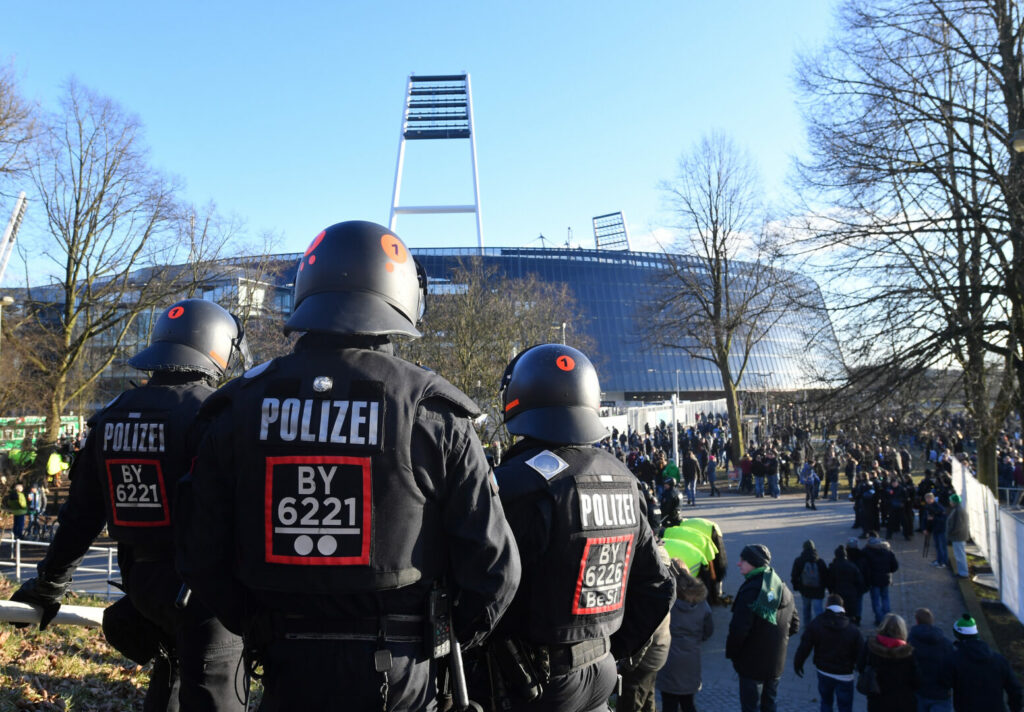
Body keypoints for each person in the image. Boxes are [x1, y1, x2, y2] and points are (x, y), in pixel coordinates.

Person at [178, 222, 522, 711]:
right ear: (401, 294)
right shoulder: (432, 412)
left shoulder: (238, 406)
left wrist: (258, 626)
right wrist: (441, 641)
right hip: (400, 674)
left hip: (284, 664)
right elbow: (495, 570)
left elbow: (200, 555)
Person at [10, 298, 250, 711]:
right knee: (216, 694)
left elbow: (80, 517)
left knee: (169, 680)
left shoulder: (111, 417)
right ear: (216, 348)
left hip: (143, 588)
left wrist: (49, 584)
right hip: (206, 596)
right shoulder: (213, 415)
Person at [485, 343, 674, 712]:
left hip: (534, 683)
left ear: (517, 399)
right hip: (600, 672)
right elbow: (658, 586)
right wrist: (609, 649)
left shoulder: (511, 486)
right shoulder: (625, 478)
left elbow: (484, 588)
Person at [725, 544, 800, 712]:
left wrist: (733, 653)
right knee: (769, 705)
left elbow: (738, 630)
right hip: (775, 663)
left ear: (753, 563)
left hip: (751, 664)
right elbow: (795, 625)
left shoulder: (750, 591)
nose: (738, 563)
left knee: (751, 707)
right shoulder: (783, 587)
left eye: (743, 560)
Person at [656, 562, 714, 712]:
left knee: (669, 704)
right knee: (688, 702)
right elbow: (708, 630)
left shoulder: (666, 600)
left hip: (669, 659)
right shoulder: (702, 603)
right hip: (691, 659)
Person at [793, 593, 863, 712]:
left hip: (824, 671)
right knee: (845, 706)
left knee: (826, 702)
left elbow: (805, 646)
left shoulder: (817, 623)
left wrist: (798, 663)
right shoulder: (853, 630)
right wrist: (861, 670)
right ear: (842, 607)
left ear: (827, 605)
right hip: (845, 674)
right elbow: (861, 653)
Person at [944, 614, 1022, 712]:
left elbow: (943, 684)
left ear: (957, 635)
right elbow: (1015, 689)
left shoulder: (954, 659)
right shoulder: (999, 660)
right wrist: (1015, 708)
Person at [857, 613, 919, 712]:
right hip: (903, 702)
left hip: (877, 701)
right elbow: (916, 680)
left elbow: (860, 666)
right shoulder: (909, 653)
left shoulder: (870, 647)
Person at [907, 608, 953, 712]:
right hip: (940, 693)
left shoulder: (910, 642)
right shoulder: (946, 644)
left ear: (917, 621)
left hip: (919, 691)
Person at [862, 534, 899, 627]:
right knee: (885, 598)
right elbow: (895, 566)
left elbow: (864, 567)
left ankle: (879, 619)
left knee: (876, 600)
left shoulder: (866, 552)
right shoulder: (888, 551)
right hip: (885, 579)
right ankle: (887, 618)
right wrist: (888, 571)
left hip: (873, 580)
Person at [827, 545, 866, 626]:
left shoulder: (833, 566)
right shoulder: (852, 565)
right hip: (851, 593)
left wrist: (831, 592)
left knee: (839, 611)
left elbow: (830, 581)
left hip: (838, 592)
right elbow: (859, 580)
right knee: (851, 613)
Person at [791, 539, 829, 625]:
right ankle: (820, 627)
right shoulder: (820, 561)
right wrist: (825, 588)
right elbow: (826, 576)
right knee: (818, 611)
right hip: (818, 591)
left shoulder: (799, 560)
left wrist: (796, 587)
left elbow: (794, 575)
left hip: (805, 590)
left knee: (806, 609)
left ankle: (807, 626)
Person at [945, 494, 970, 579]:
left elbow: (958, 525)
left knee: (960, 555)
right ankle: (961, 572)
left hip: (958, 536)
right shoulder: (958, 509)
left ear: (954, 501)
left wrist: (950, 533)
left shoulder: (958, 511)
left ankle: (963, 573)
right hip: (958, 536)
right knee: (959, 554)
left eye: (951, 500)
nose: (950, 502)